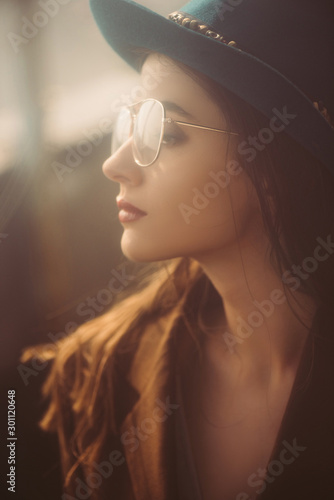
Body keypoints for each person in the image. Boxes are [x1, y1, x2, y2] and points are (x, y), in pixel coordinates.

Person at [26, 1, 334, 499]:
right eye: (129, 125)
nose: (115, 164)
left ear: (272, 169)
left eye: (164, 134)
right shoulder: (100, 371)